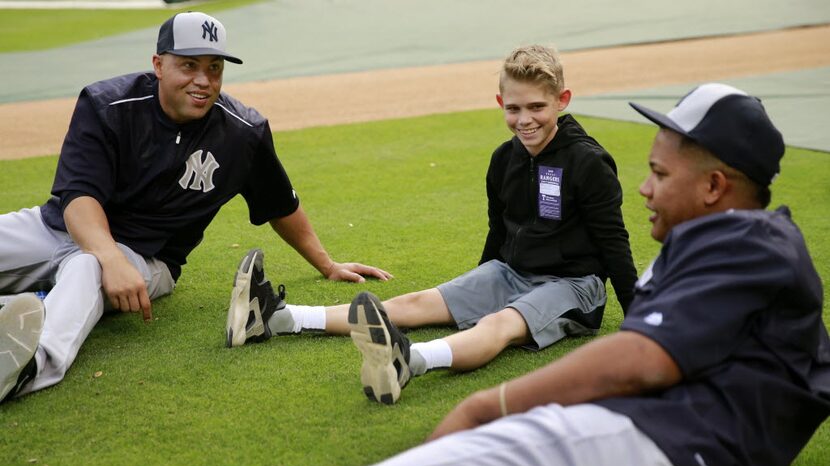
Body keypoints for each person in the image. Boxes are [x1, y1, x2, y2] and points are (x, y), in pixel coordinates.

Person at [371, 83, 830, 466]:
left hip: (659, 442)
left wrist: (489, 405)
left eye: (659, 173)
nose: (645, 188)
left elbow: (640, 359)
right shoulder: (714, 245)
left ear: (714, 186)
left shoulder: (753, 244)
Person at [0, 12, 390, 403]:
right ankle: (32, 305)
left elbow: (280, 205)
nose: (203, 80)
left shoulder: (242, 134)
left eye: (214, 68)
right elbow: (78, 197)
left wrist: (327, 265)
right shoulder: (108, 106)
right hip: (56, 228)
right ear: (158, 65)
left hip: (145, 258)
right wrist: (107, 254)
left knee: (87, 268)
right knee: (87, 259)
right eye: (189, 65)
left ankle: (30, 368)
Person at [226, 44, 638, 405]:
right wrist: (480, 284)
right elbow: (500, 230)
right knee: (417, 302)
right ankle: (279, 317)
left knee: (501, 323)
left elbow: (614, 241)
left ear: (562, 100)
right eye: (514, 109)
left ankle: (411, 361)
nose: (524, 120)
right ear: (500, 104)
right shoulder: (503, 159)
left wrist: (639, 322)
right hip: (511, 272)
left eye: (537, 107)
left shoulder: (588, 163)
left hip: (572, 286)